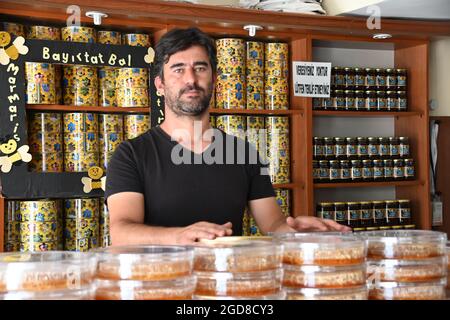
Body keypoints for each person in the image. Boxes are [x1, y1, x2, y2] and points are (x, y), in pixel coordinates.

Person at [105, 27, 350, 245]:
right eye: (178, 69)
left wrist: (299, 233)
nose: (190, 79)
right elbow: (121, 231)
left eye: (200, 68)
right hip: (162, 287)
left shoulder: (243, 153)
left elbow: (273, 225)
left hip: (226, 285)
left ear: (214, 79)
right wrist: (178, 236)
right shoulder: (132, 155)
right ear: (159, 85)